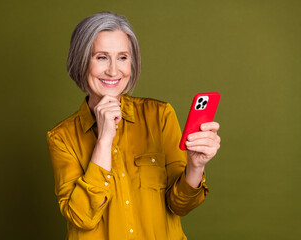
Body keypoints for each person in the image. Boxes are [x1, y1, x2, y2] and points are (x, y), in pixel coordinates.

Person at [47, 11, 221, 240]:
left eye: (122, 57)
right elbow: (82, 217)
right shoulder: (62, 138)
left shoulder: (160, 116)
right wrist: (104, 140)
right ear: (81, 61)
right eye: (101, 57)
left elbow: (180, 206)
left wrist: (195, 166)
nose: (113, 70)